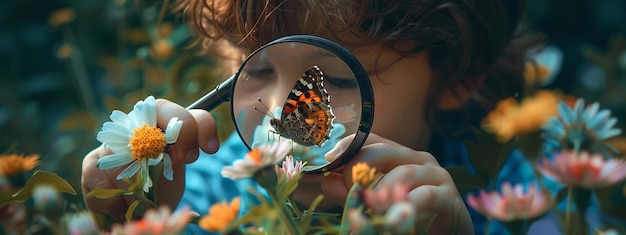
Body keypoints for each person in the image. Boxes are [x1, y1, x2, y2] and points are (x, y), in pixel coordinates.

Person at [81, 0, 540, 234]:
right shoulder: (196, 198)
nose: (277, 111)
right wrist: (132, 215)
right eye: (255, 68)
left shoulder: (521, 200)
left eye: (338, 81)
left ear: (459, 75)